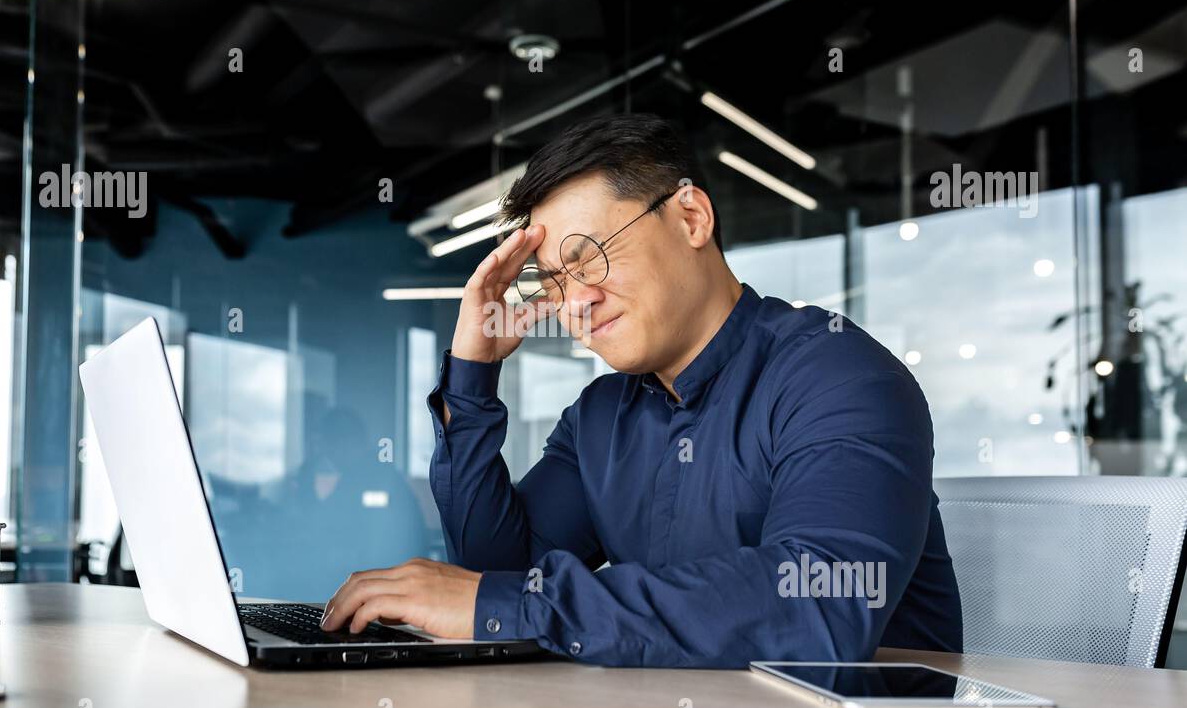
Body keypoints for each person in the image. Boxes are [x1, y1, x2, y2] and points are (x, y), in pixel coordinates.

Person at [321, 112, 962, 668]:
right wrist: (471, 376)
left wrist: (503, 604)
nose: (575, 302)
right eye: (553, 281)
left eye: (592, 255)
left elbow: (816, 608)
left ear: (691, 216)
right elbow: (502, 573)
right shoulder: (602, 415)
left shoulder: (839, 376)